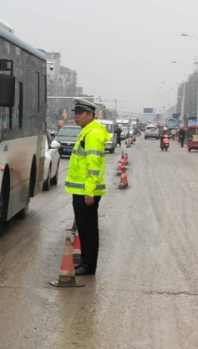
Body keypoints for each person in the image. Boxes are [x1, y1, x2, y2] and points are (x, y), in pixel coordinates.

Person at [64, 98, 111, 276]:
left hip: (86, 190)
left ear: (90, 115)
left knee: (88, 229)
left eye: (80, 113)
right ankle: (86, 262)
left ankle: (88, 265)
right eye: (75, 113)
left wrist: (89, 192)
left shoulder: (92, 134)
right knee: (84, 228)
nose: (76, 116)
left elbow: (93, 166)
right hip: (82, 189)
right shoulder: (88, 132)